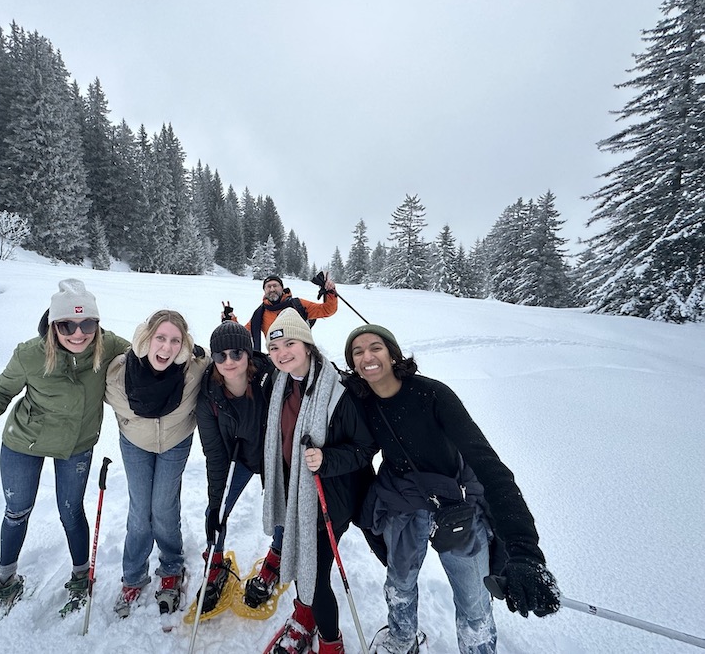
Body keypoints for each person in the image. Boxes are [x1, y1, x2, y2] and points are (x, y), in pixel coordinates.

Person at [343, 324, 560, 654]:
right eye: (357, 352)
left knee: (474, 602)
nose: (367, 356)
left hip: (457, 504)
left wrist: (526, 553)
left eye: (375, 347)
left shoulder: (432, 395)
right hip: (401, 503)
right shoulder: (361, 403)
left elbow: (489, 466)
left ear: (392, 352)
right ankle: (401, 641)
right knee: (399, 583)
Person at [0, 278, 130, 620]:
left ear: (97, 324)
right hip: (24, 440)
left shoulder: (108, 346)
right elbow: (1, 391)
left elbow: (148, 352)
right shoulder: (30, 355)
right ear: (53, 325)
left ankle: (80, 576)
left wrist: (185, 355)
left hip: (76, 444)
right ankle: (6, 580)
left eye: (87, 323)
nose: (78, 334)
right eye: (67, 325)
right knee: (16, 511)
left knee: (70, 511)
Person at [261, 308, 375, 654]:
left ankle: (330, 642)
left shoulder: (337, 391)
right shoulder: (278, 383)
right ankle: (303, 616)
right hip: (294, 496)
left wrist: (327, 460)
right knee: (298, 561)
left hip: (330, 500)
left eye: (290, 343)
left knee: (316, 575)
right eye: (275, 348)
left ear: (307, 344)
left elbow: (365, 448)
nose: (282, 354)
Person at [105, 309, 209, 617]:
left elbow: (233, 362)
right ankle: (134, 576)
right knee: (140, 510)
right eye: (160, 338)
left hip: (175, 443)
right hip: (135, 443)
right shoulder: (118, 371)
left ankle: (171, 566)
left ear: (184, 345)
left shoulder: (195, 367)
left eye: (175, 341)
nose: (166, 347)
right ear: (146, 338)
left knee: (163, 506)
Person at [195, 320, 282, 613]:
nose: (228, 362)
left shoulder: (272, 376)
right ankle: (215, 560)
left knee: (283, 507)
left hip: (274, 455)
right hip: (239, 457)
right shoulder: (208, 395)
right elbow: (215, 455)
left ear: (248, 353)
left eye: (236, 354)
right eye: (220, 356)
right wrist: (217, 503)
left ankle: (278, 554)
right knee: (216, 510)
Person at [225, 273, 338, 351]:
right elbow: (244, 334)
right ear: (264, 291)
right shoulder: (259, 314)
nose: (272, 289)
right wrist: (231, 321)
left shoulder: (298, 304)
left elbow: (327, 310)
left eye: (275, 286)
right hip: (278, 359)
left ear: (282, 288)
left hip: (301, 357)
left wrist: (330, 292)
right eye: (268, 287)